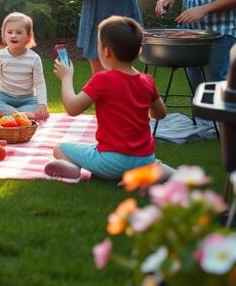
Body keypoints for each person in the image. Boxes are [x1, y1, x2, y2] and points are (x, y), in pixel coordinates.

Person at [46, 16, 168, 181]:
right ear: (138, 51)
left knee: (60, 148)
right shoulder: (147, 81)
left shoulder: (103, 79)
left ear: (106, 51)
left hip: (112, 163)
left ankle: (73, 168)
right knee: (96, 149)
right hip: (144, 158)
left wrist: (67, 77)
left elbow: (73, 108)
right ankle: (145, 174)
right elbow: (160, 114)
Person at [0, 13, 50, 120]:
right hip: (4, 97)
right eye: (9, 32)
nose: (13, 35)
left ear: (28, 36)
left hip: (28, 99)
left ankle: (12, 114)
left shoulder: (34, 58)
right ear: (4, 35)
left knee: (39, 108)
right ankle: (22, 115)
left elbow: (40, 83)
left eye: (19, 32)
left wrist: (42, 104)